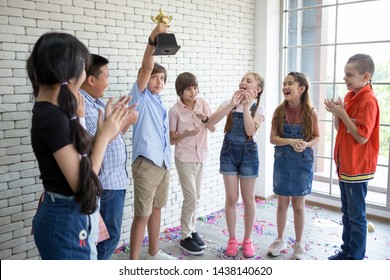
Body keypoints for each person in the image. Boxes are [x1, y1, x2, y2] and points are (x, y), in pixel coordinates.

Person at [28, 32, 128, 259]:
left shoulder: (54, 111)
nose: (84, 73)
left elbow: (79, 156)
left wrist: (106, 133)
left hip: (70, 221)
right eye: (83, 67)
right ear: (67, 69)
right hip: (66, 225)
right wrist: (103, 138)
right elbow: (84, 187)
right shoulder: (52, 117)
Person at [79, 54, 138, 260]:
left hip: (114, 180)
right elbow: (92, 144)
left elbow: (109, 137)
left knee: (107, 236)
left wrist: (125, 123)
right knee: (108, 238)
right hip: (106, 183)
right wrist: (121, 123)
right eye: (107, 76)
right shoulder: (82, 106)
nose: (108, 82)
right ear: (92, 79)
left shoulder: (97, 103)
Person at [128, 23, 176, 260]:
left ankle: (154, 252)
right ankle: (133, 263)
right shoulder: (141, 96)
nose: (158, 81)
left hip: (163, 163)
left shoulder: (159, 102)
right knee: (142, 214)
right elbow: (147, 65)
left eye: (163, 78)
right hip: (146, 163)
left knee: (157, 208)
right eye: (154, 77)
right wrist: (153, 39)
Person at [324, 54, 379, 260]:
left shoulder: (368, 100)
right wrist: (337, 113)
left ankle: (354, 258)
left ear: (365, 77)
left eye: (349, 75)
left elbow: (362, 137)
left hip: (357, 167)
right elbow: (341, 129)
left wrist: (344, 114)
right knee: (347, 213)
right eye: (344, 74)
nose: (345, 79)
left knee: (356, 217)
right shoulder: (349, 96)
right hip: (345, 165)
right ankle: (346, 252)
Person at [207, 72, 265, 258]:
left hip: (249, 153)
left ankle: (247, 240)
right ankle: (232, 239)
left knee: (248, 199)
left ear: (257, 90)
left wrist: (246, 106)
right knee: (231, 197)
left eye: (248, 81)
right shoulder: (228, 103)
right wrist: (232, 104)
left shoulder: (259, 108)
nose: (243, 82)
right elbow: (210, 122)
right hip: (229, 152)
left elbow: (250, 130)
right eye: (242, 80)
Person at [267, 72, 320, 260]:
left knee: (298, 204)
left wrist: (305, 144)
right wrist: (291, 141)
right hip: (282, 160)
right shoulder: (278, 111)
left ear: (301, 88)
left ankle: (298, 244)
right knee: (282, 203)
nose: (285, 87)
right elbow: (273, 138)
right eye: (284, 83)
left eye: (290, 83)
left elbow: (317, 136)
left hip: (302, 161)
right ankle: (280, 239)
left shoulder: (310, 112)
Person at [169, 72, 216, 255]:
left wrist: (205, 118)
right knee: (190, 197)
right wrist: (186, 134)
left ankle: (192, 230)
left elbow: (212, 127)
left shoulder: (203, 103)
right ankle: (184, 236)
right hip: (184, 159)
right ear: (180, 91)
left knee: (196, 197)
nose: (193, 91)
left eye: (195, 87)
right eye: (188, 88)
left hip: (200, 157)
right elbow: (172, 140)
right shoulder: (174, 111)